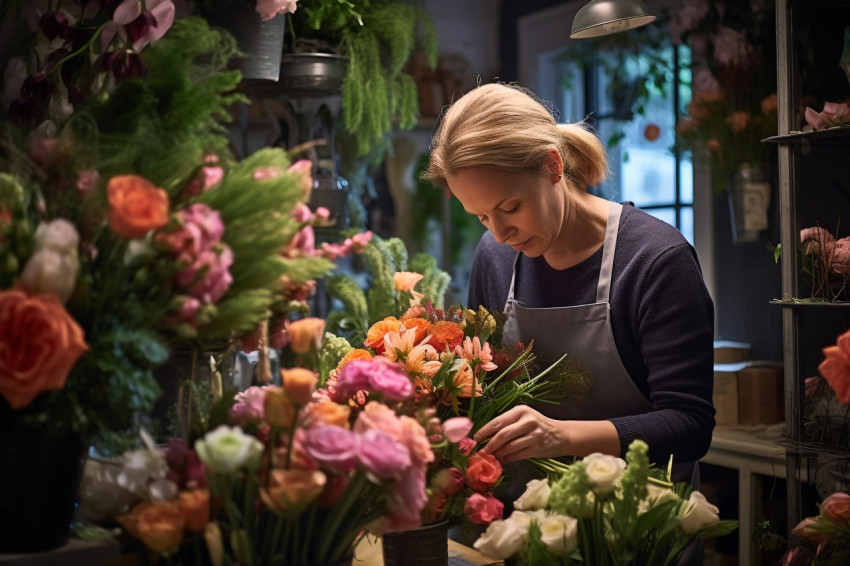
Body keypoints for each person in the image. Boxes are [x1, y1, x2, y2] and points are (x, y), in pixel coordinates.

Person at [422, 83, 715, 497]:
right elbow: (480, 385)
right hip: (526, 522)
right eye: (482, 217)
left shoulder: (654, 260)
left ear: (553, 167)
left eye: (510, 208)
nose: (501, 234)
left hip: (644, 523)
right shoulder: (495, 257)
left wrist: (561, 436)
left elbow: (690, 427)